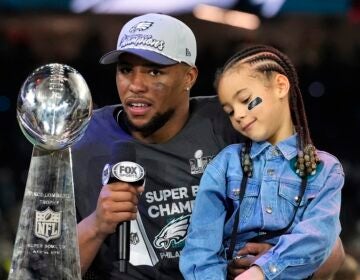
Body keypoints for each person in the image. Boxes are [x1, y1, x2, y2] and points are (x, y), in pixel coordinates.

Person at [72, 14, 344, 280]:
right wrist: (96, 226)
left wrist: (277, 263)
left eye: (155, 71)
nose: (136, 85)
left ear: (189, 77)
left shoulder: (233, 124)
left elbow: (333, 254)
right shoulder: (84, 140)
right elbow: (41, 267)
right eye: (126, 70)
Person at [179, 44, 345, 280]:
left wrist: (262, 271)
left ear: (280, 86)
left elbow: (318, 237)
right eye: (229, 110)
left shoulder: (326, 169)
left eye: (246, 100)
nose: (238, 114)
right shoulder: (226, 164)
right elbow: (200, 246)